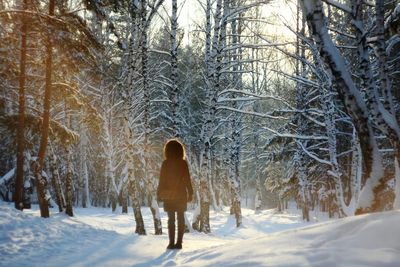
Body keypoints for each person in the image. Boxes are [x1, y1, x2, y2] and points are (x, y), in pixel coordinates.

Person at [157, 139, 193, 250]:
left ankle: (171, 243)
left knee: (171, 219)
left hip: (169, 195)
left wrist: (159, 193)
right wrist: (190, 193)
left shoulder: (165, 163)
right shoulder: (183, 163)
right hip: (181, 194)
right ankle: (179, 243)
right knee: (181, 218)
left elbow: (161, 180)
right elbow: (187, 179)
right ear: (180, 150)